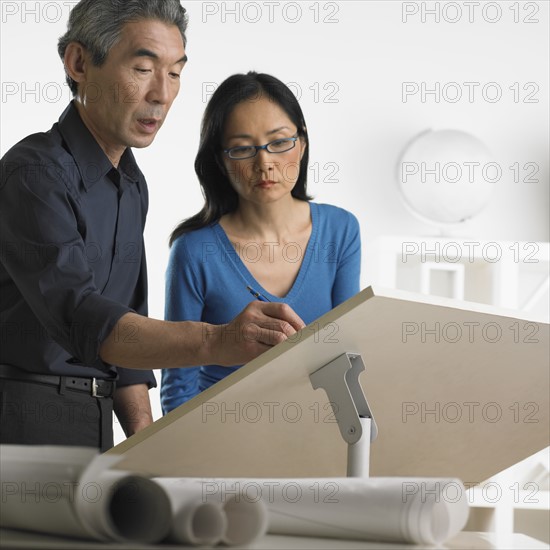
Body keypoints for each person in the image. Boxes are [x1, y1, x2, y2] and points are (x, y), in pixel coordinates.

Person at [0, 1, 304, 452]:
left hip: (96, 421)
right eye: (143, 68)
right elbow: (86, 318)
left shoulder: (132, 182)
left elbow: (128, 332)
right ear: (79, 63)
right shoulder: (35, 174)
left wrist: (147, 447)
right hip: (24, 419)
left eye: (175, 72)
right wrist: (217, 340)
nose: (162, 94)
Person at [161, 72, 361, 413]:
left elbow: (346, 358)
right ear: (221, 161)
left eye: (280, 142)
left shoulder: (341, 231)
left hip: (313, 435)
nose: (264, 163)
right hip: (220, 441)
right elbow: (178, 387)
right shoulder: (194, 252)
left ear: (303, 142)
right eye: (241, 149)